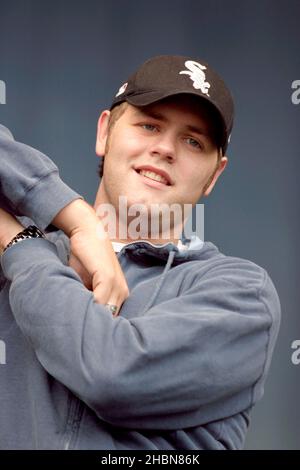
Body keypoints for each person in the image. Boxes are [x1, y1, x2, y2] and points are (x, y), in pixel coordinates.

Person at [0, 55, 281, 450]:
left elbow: (112, 374)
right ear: (104, 133)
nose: (165, 148)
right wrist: (74, 217)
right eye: (149, 124)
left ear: (214, 175)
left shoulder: (242, 294)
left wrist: (20, 247)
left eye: (193, 141)